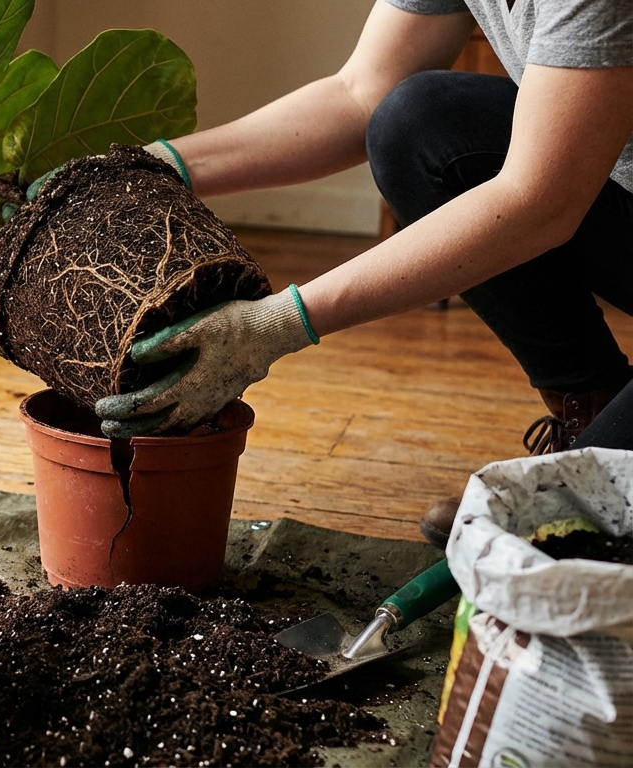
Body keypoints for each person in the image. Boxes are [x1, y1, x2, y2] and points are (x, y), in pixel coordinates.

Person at [89, 0, 633, 544]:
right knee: (418, 121)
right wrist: (151, 167)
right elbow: (360, 93)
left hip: (559, 196)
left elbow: (539, 202)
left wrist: (279, 323)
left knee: (584, 527)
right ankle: (592, 401)